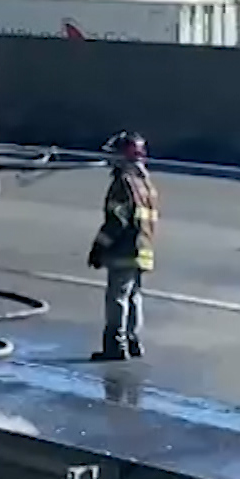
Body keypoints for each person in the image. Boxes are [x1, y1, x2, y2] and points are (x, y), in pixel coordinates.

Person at [87, 131, 157, 361]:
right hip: (143, 249)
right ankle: (133, 342)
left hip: (124, 249)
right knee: (134, 296)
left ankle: (115, 346)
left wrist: (99, 247)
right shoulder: (145, 183)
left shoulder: (123, 183)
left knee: (117, 297)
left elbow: (116, 221)